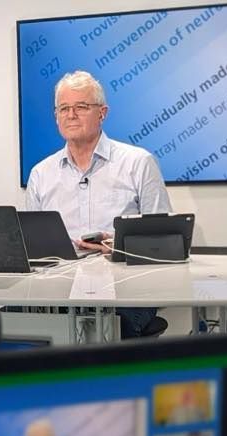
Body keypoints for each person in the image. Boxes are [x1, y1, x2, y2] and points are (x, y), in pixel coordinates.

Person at [24, 70, 171, 339]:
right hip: (58, 291)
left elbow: (163, 241)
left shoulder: (138, 163)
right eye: (64, 108)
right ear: (56, 116)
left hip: (125, 290)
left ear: (102, 113)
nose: (71, 115)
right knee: (5, 321)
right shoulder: (40, 174)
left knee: (100, 329)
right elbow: (31, 246)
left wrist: (118, 246)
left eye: (81, 107)